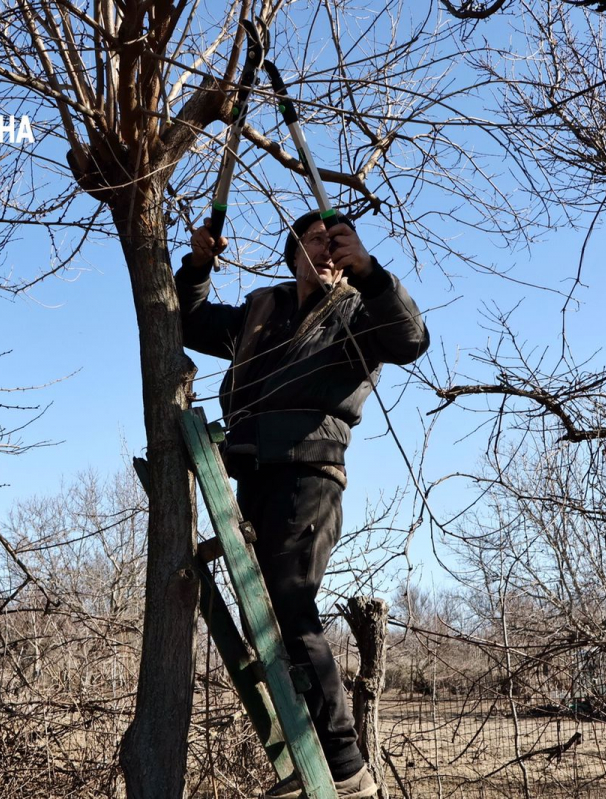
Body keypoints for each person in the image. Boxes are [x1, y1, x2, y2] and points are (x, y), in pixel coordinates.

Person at [175, 210, 430, 798]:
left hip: (311, 474)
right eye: (315, 239)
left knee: (290, 606)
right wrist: (198, 265)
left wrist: (369, 271)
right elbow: (186, 321)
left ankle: (345, 770)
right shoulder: (260, 310)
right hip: (252, 472)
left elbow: (412, 338)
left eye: (338, 241)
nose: (328, 248)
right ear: (293, 253)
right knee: (261, 615)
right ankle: (306, 758)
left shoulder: (360, 313)